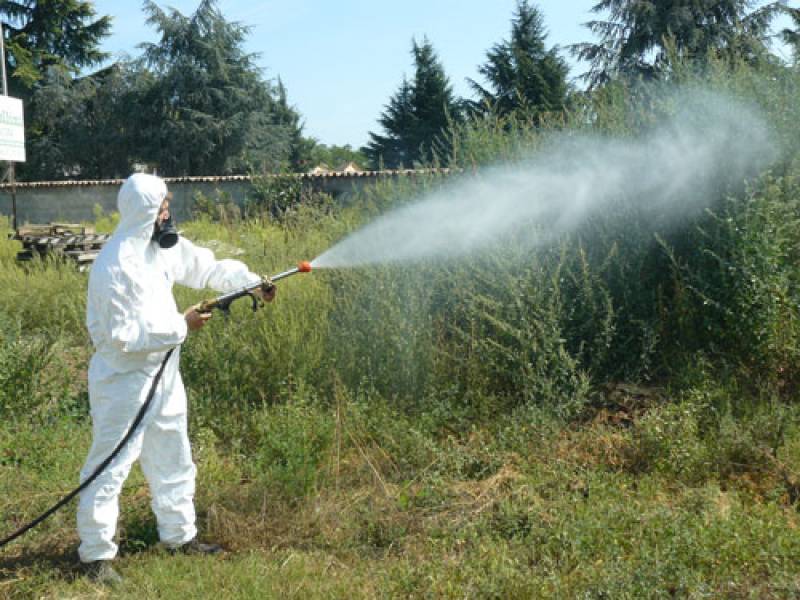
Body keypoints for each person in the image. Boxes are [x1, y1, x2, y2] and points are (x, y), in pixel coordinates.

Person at [77, 173, 274, 584]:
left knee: (173, 456)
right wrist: (181, 325)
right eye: (163, 206)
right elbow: (123, 336)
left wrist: (250, 283)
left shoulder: (160, 249)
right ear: (147, 212)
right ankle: (96, 558)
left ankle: (180, 537)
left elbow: (205, 266)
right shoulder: (114, 266)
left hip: (164, 374)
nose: (169, 212)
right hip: (123, 381)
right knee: (110, 466)